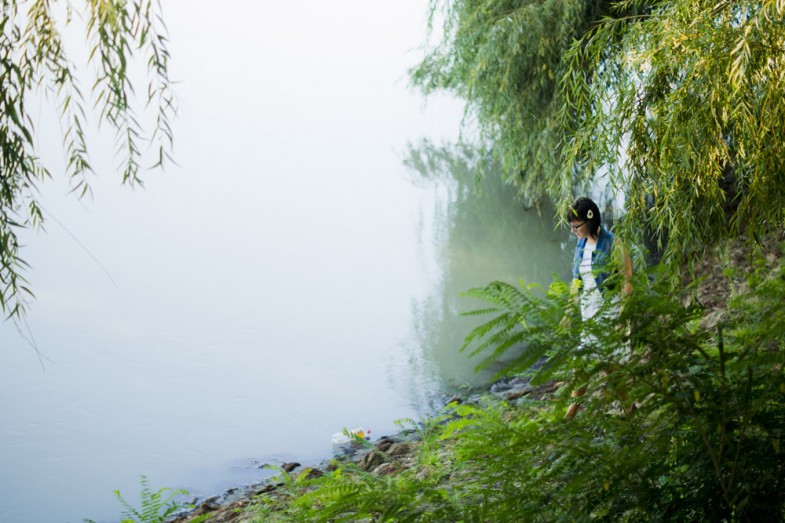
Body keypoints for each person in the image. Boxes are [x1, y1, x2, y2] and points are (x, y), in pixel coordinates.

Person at [564, 196, 633, 419]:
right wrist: (568, 312)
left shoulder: (614, 242)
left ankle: (628, 408)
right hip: (589, 312)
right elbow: (576, 281)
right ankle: (574, 411)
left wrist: (623, 313)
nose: (573, 230)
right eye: (571, 226)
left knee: (607, 366)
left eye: (576, 225)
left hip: (609, 310)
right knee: (587, 363)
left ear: (590, 220)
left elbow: (627, 278)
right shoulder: (580, 245)